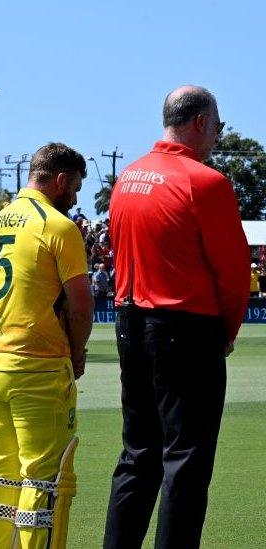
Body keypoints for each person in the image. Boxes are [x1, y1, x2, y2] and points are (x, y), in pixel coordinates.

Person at [104, 86, 249, 549]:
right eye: (218, 127)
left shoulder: (127, 178)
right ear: (202, 123)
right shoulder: (205, 182)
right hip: (186, 328)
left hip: (131, 322)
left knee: (137, 454)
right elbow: (232, 272)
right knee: (185, 460)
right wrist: (226, 330)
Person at [0, 143, 93, 549]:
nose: (75, 197)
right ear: (60, 180)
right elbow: (80, 305)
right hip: (37, 365)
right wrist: (76, 353)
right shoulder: (58, 227)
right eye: (74, 187)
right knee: (46, 478)